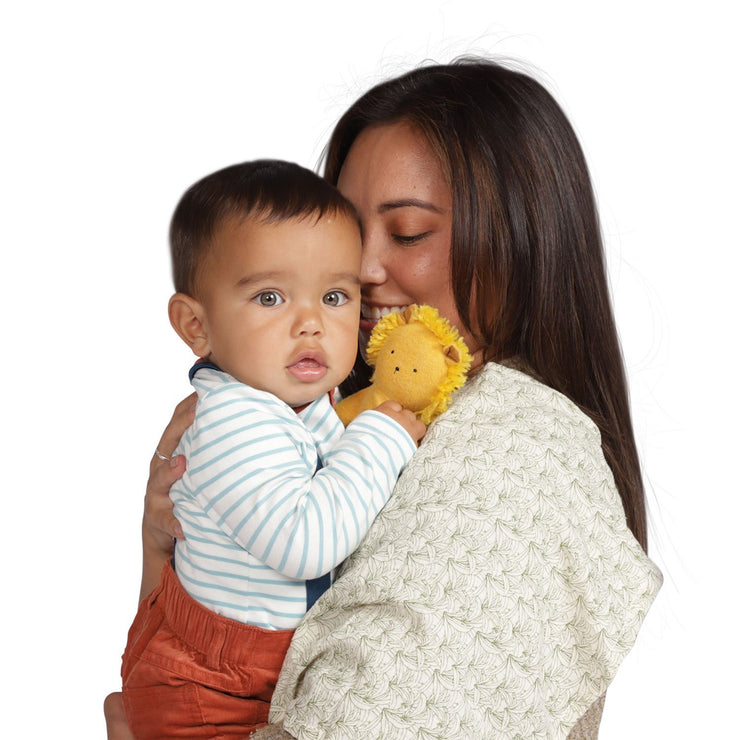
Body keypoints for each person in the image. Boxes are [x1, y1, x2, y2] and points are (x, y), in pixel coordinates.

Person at [106, 58, 662, 740]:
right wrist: (166, 555)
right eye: (344, 234)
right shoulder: (321, 414)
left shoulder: (510, 450)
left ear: (522, 246)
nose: (359, 271)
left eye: (407, 233)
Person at [118, 160, 425, 740]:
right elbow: (306, 543)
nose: (311, 323)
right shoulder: (232, 419)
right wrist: (382, 438)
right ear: (196, 326)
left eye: (334, 295)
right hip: (211, 688)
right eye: (269, 297)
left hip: (257, 667)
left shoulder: (299, 401)